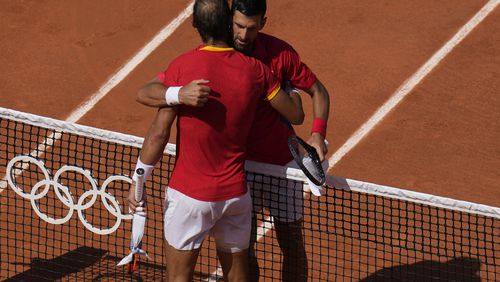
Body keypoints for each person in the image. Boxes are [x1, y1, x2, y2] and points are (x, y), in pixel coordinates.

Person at [136, 0, 331, 281]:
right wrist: (179, 94)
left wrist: (318, 134)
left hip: (281, 166)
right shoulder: (229, 61)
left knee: (291, 241)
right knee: (244, 252)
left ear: (262, 23)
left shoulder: (280, 55)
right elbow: (152, 90)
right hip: (242, 170)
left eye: (251, 29)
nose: (242, 35)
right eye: (238, 26)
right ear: (229, 20)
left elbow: (318, 92)